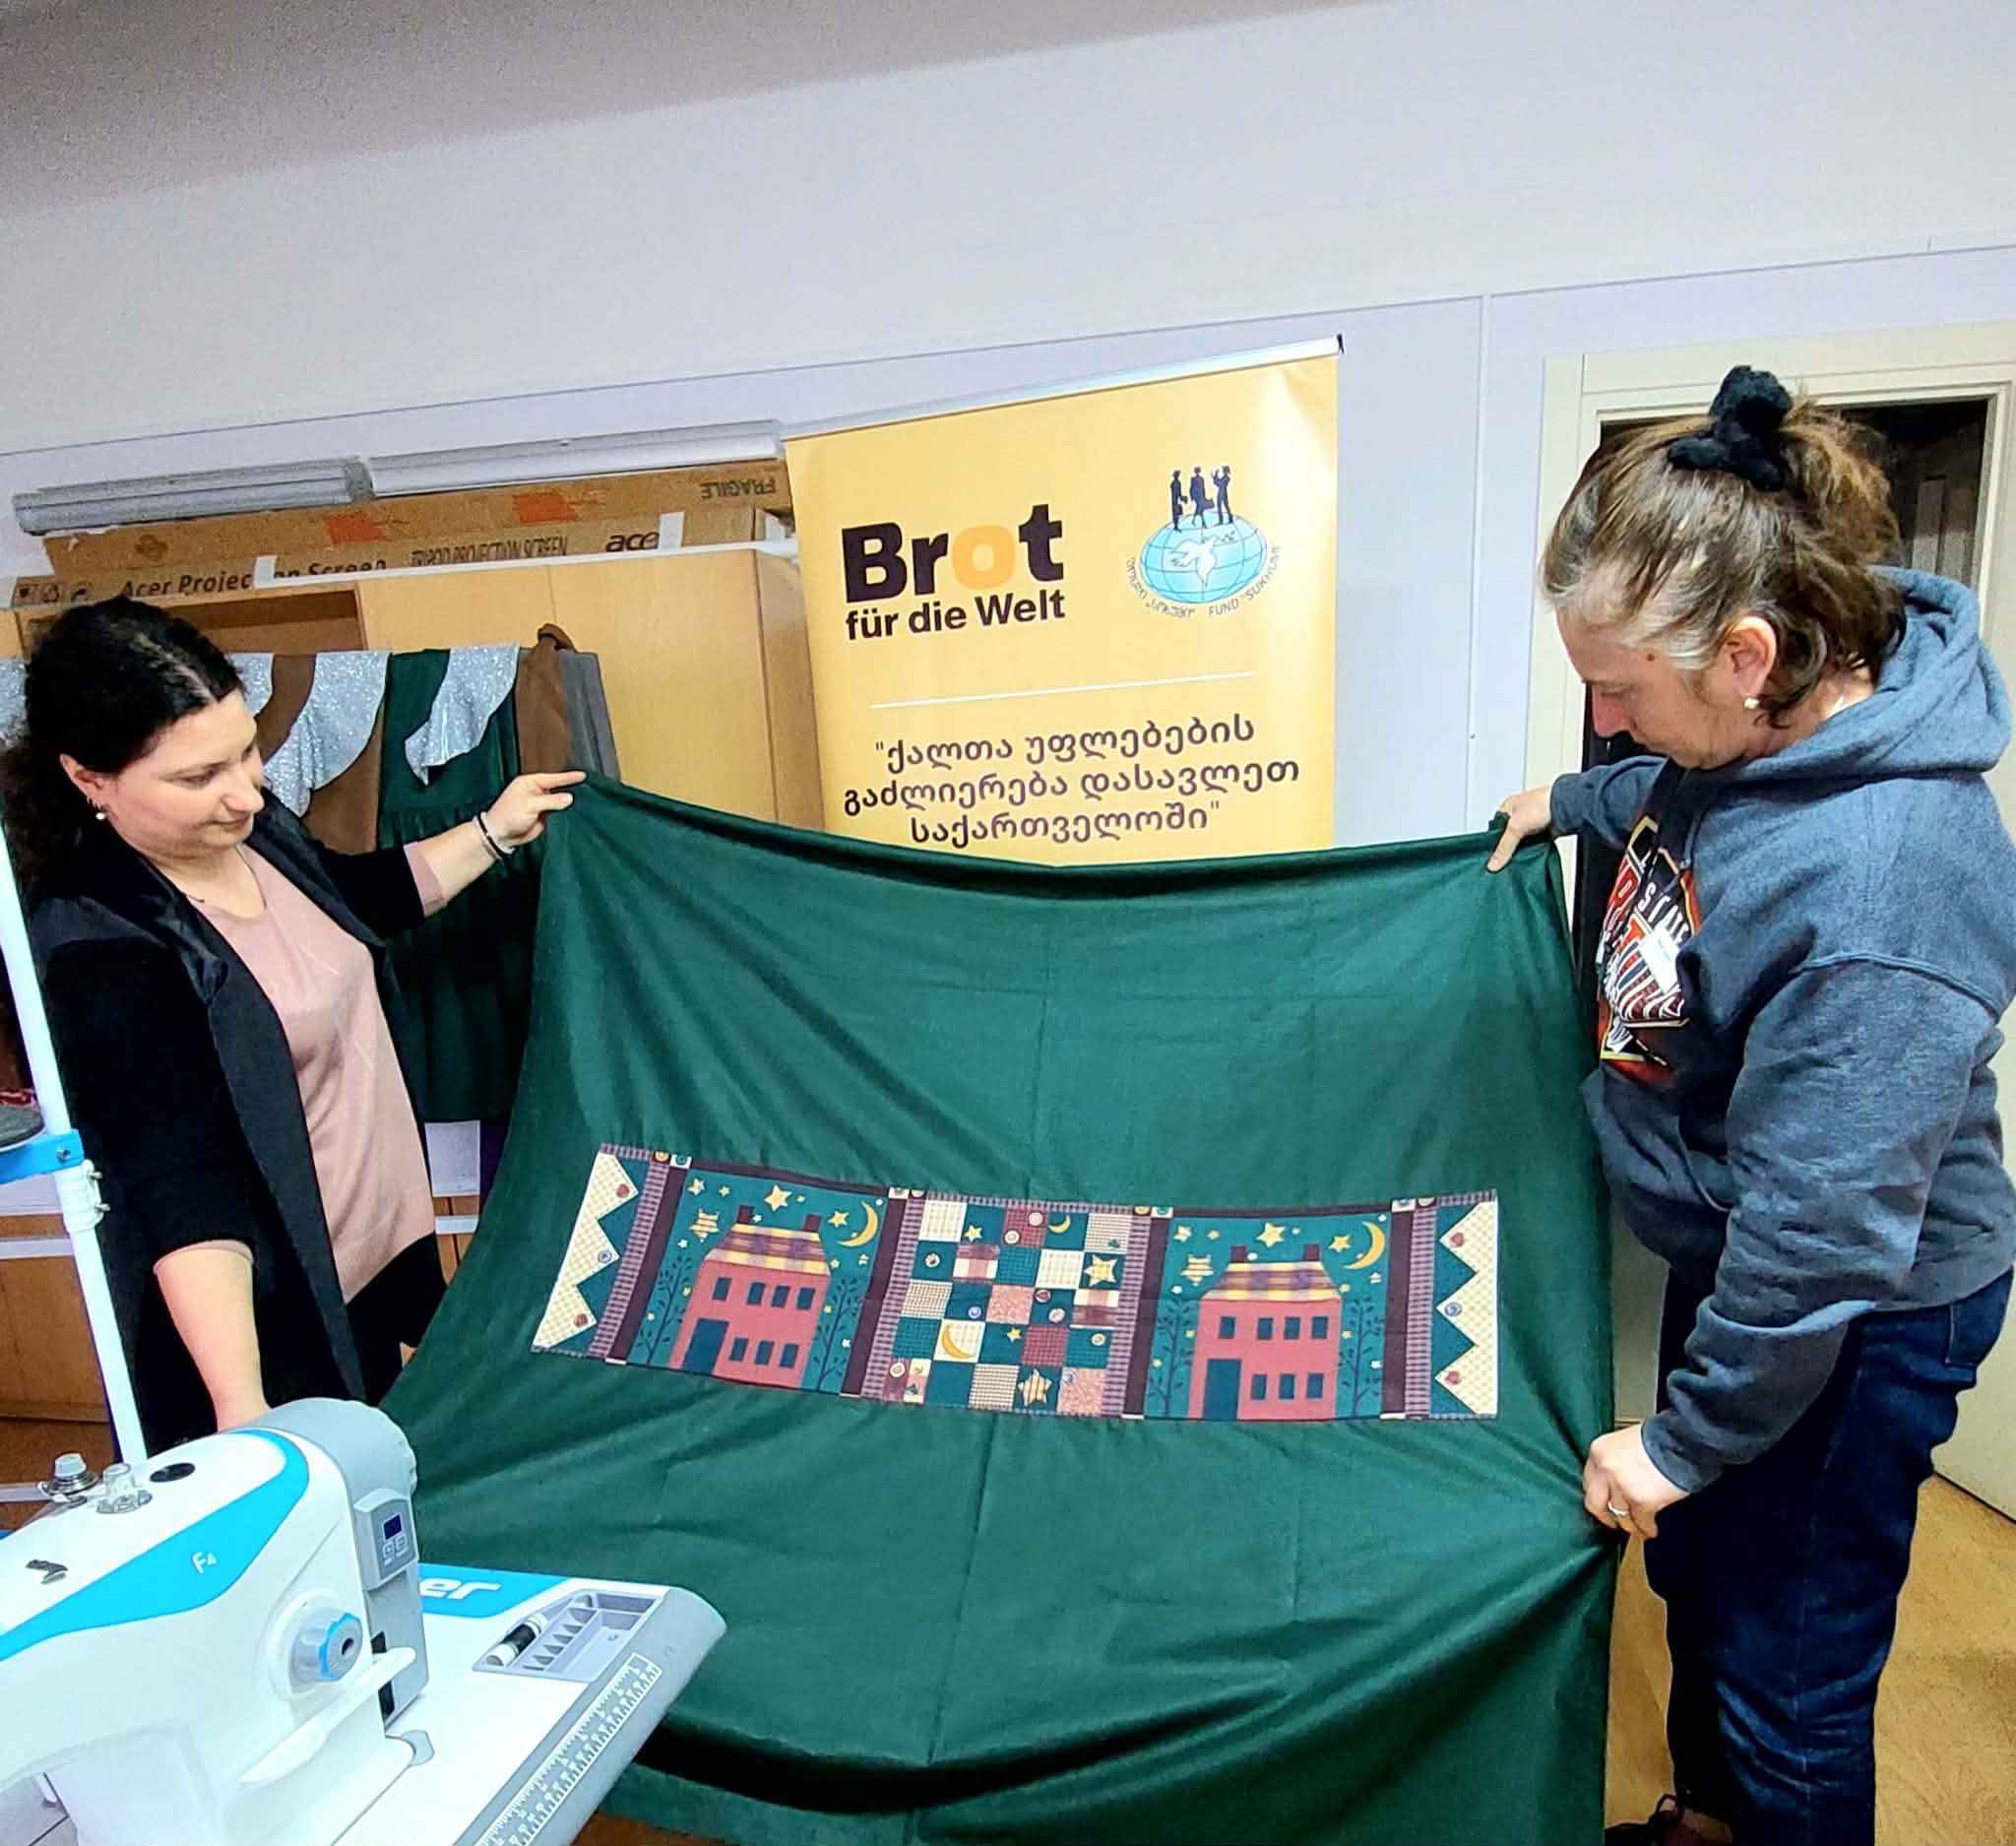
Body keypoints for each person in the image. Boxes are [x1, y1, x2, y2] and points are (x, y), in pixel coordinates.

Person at [1488, 366, 2016, 1845]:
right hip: (1756, 1257)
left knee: (1787, 1674)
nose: (1603, 718)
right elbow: (1683, 799)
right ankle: (1706, 1823)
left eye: (1621, 690)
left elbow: (1826, 1235)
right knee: (1706, 1579)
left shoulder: (1886, 885)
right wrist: (1571, 803)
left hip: (1856, 1309)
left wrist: (1679, 1439)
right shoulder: (1755, 736)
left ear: (1745, 654)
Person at [12, 599, 584, 1451]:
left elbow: (347, 905)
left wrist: (493, 832)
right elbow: (183, 1188)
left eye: (246, 751)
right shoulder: (100, 945)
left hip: (373, 1260)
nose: (245, 790)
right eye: (199, 777)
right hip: (275, 1328)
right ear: (89, 778)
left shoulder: (252, 830)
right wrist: (244, 1411)